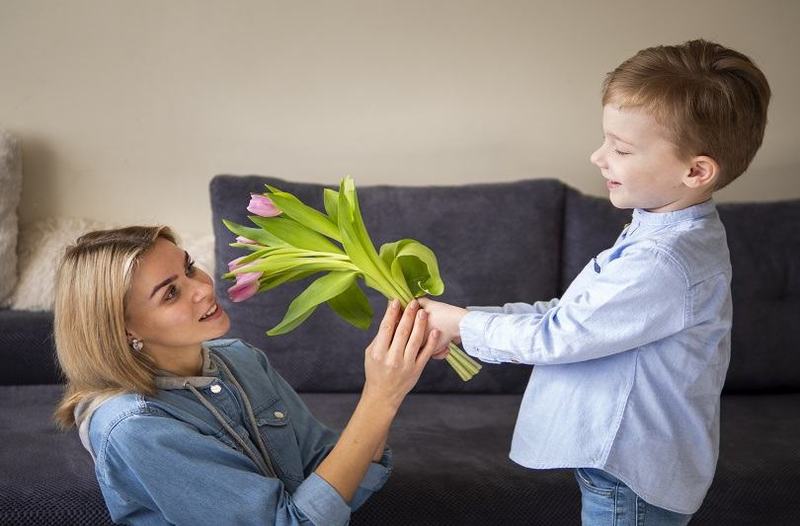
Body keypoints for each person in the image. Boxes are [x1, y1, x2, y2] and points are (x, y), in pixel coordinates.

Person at [420, 39, 770, 524]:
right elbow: (573, 317)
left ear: (695, 171)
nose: (597, 156)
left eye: (621, 148)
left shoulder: (662, 260)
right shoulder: (660, 228)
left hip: (631, 473)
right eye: (606, 139)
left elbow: (560, 336)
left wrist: (462, 324)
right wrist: (465, 325)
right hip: (623, 468)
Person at [53, 225, 440, 525]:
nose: (203, 288)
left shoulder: (240, 359)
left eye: (188, 268)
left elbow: (332, 473)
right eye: (170, 293)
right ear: (124, 330)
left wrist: (394, 377)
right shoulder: (134, 428)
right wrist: (381, 396)